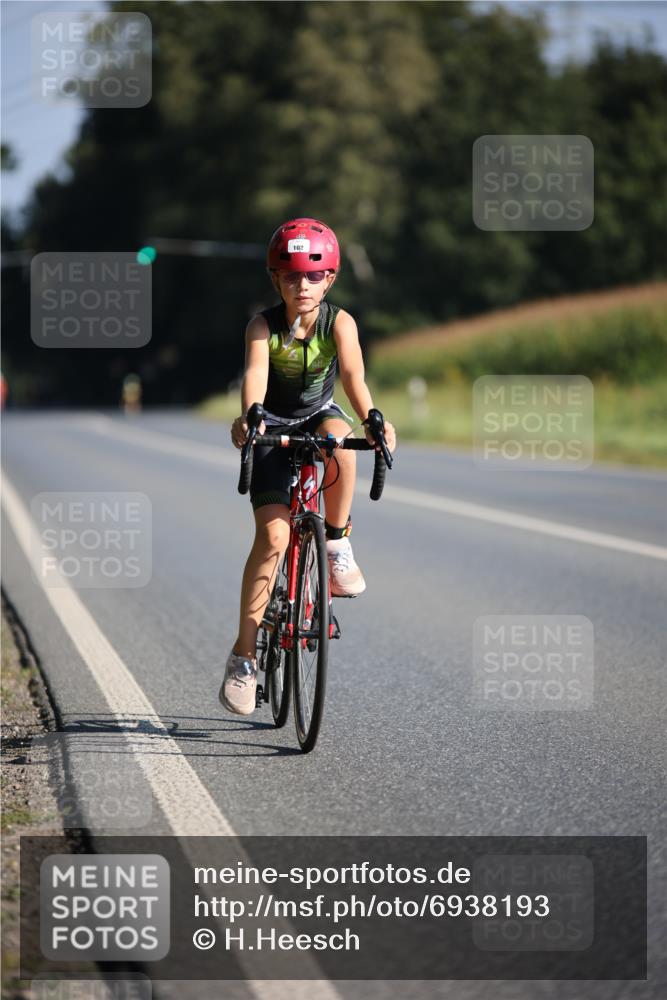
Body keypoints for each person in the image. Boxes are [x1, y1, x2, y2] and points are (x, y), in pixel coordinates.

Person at [220, 217, 397, 716]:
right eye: (292, 276)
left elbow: (353, 376)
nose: (303, 286)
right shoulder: (263, 325)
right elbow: (255, 376)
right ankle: (243, 656)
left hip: (319, 415)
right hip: (270, 424)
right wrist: (251, 416)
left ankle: (336, 541)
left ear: (331, 278)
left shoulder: (339, 323)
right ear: (276, 279)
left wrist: (373, 419)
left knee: (342, 441)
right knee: (274, 538)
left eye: (313, 276)